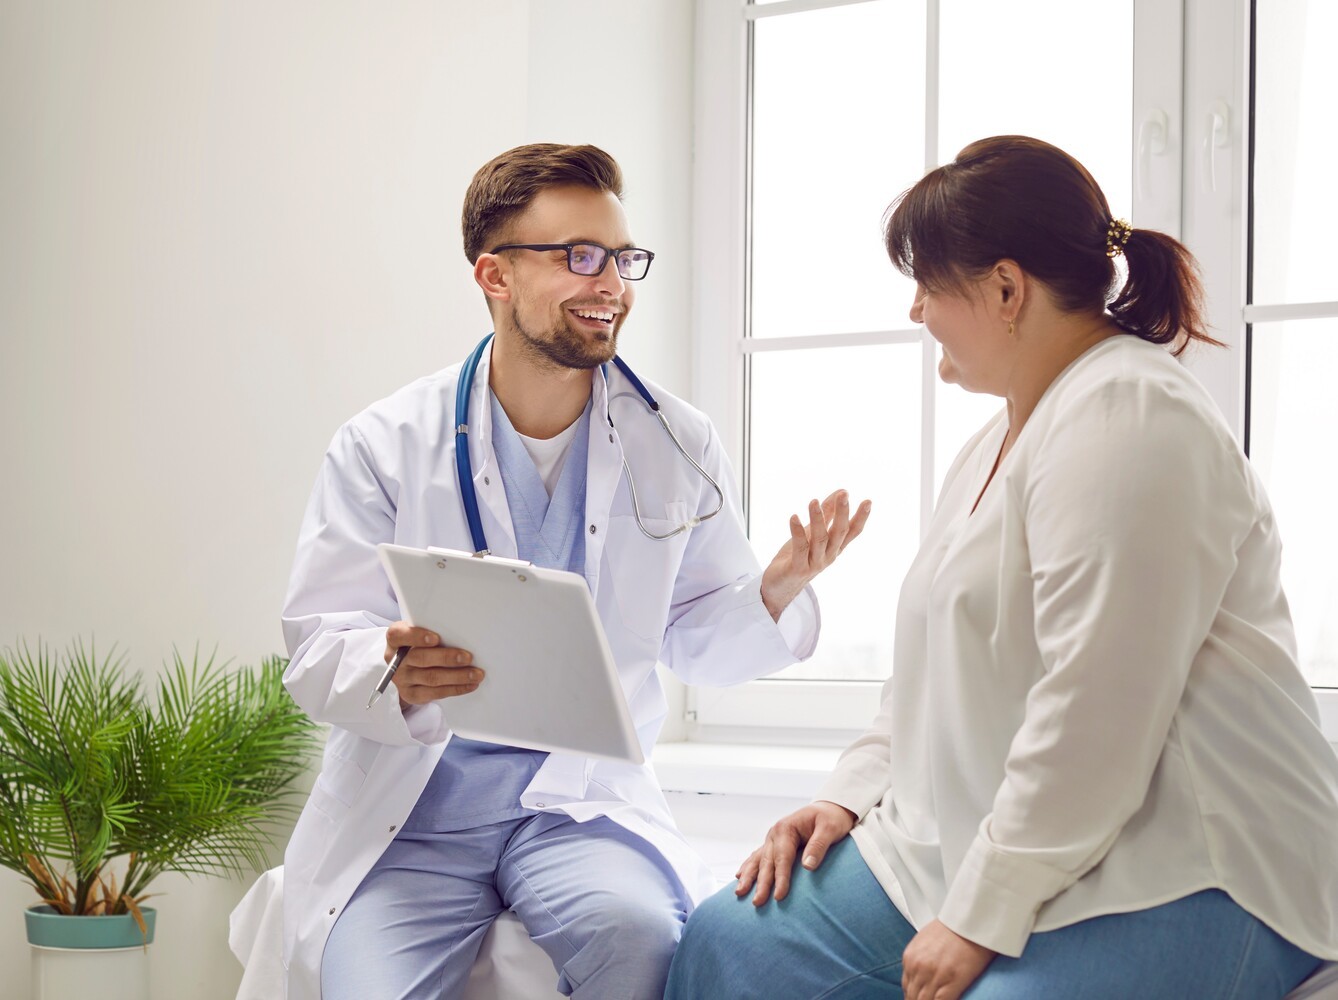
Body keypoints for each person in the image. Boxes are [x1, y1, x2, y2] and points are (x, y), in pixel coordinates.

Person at [664, 135, 1338, 1000]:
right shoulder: (1002, 436)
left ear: (1007, 289)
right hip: (982, 840)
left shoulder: (1132, 419)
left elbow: (1096, 713)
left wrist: (980, 915)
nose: (915, 310)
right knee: (731, 942)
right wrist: (850, 797)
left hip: (1189, 863)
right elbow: (929, 676)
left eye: (927, 285)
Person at [276, 142, 870, 1000]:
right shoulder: (384, 445)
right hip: (416, 815)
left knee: (640, 942)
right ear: (495, 275)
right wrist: (390, 669)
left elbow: (696, 644)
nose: (613, 285)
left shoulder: (677, 441)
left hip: (579, 805)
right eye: (580, 257)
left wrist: (773, 593)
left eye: (623, 259)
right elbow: (315, 646)